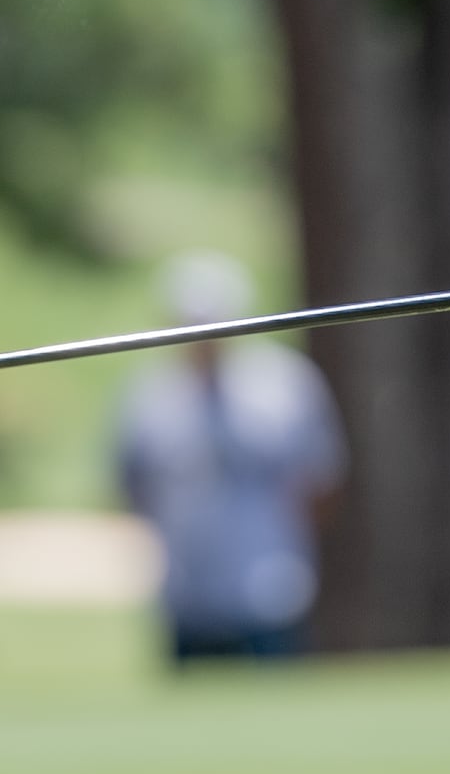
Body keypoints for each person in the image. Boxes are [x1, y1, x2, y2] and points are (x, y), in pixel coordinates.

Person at [113, 250, 346, 664]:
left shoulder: (285, 384)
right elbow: (131, 487)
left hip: (269, 594)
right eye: (187, 324)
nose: (201, 336)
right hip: (186, 599)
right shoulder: (148, 395)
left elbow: (320, 484)